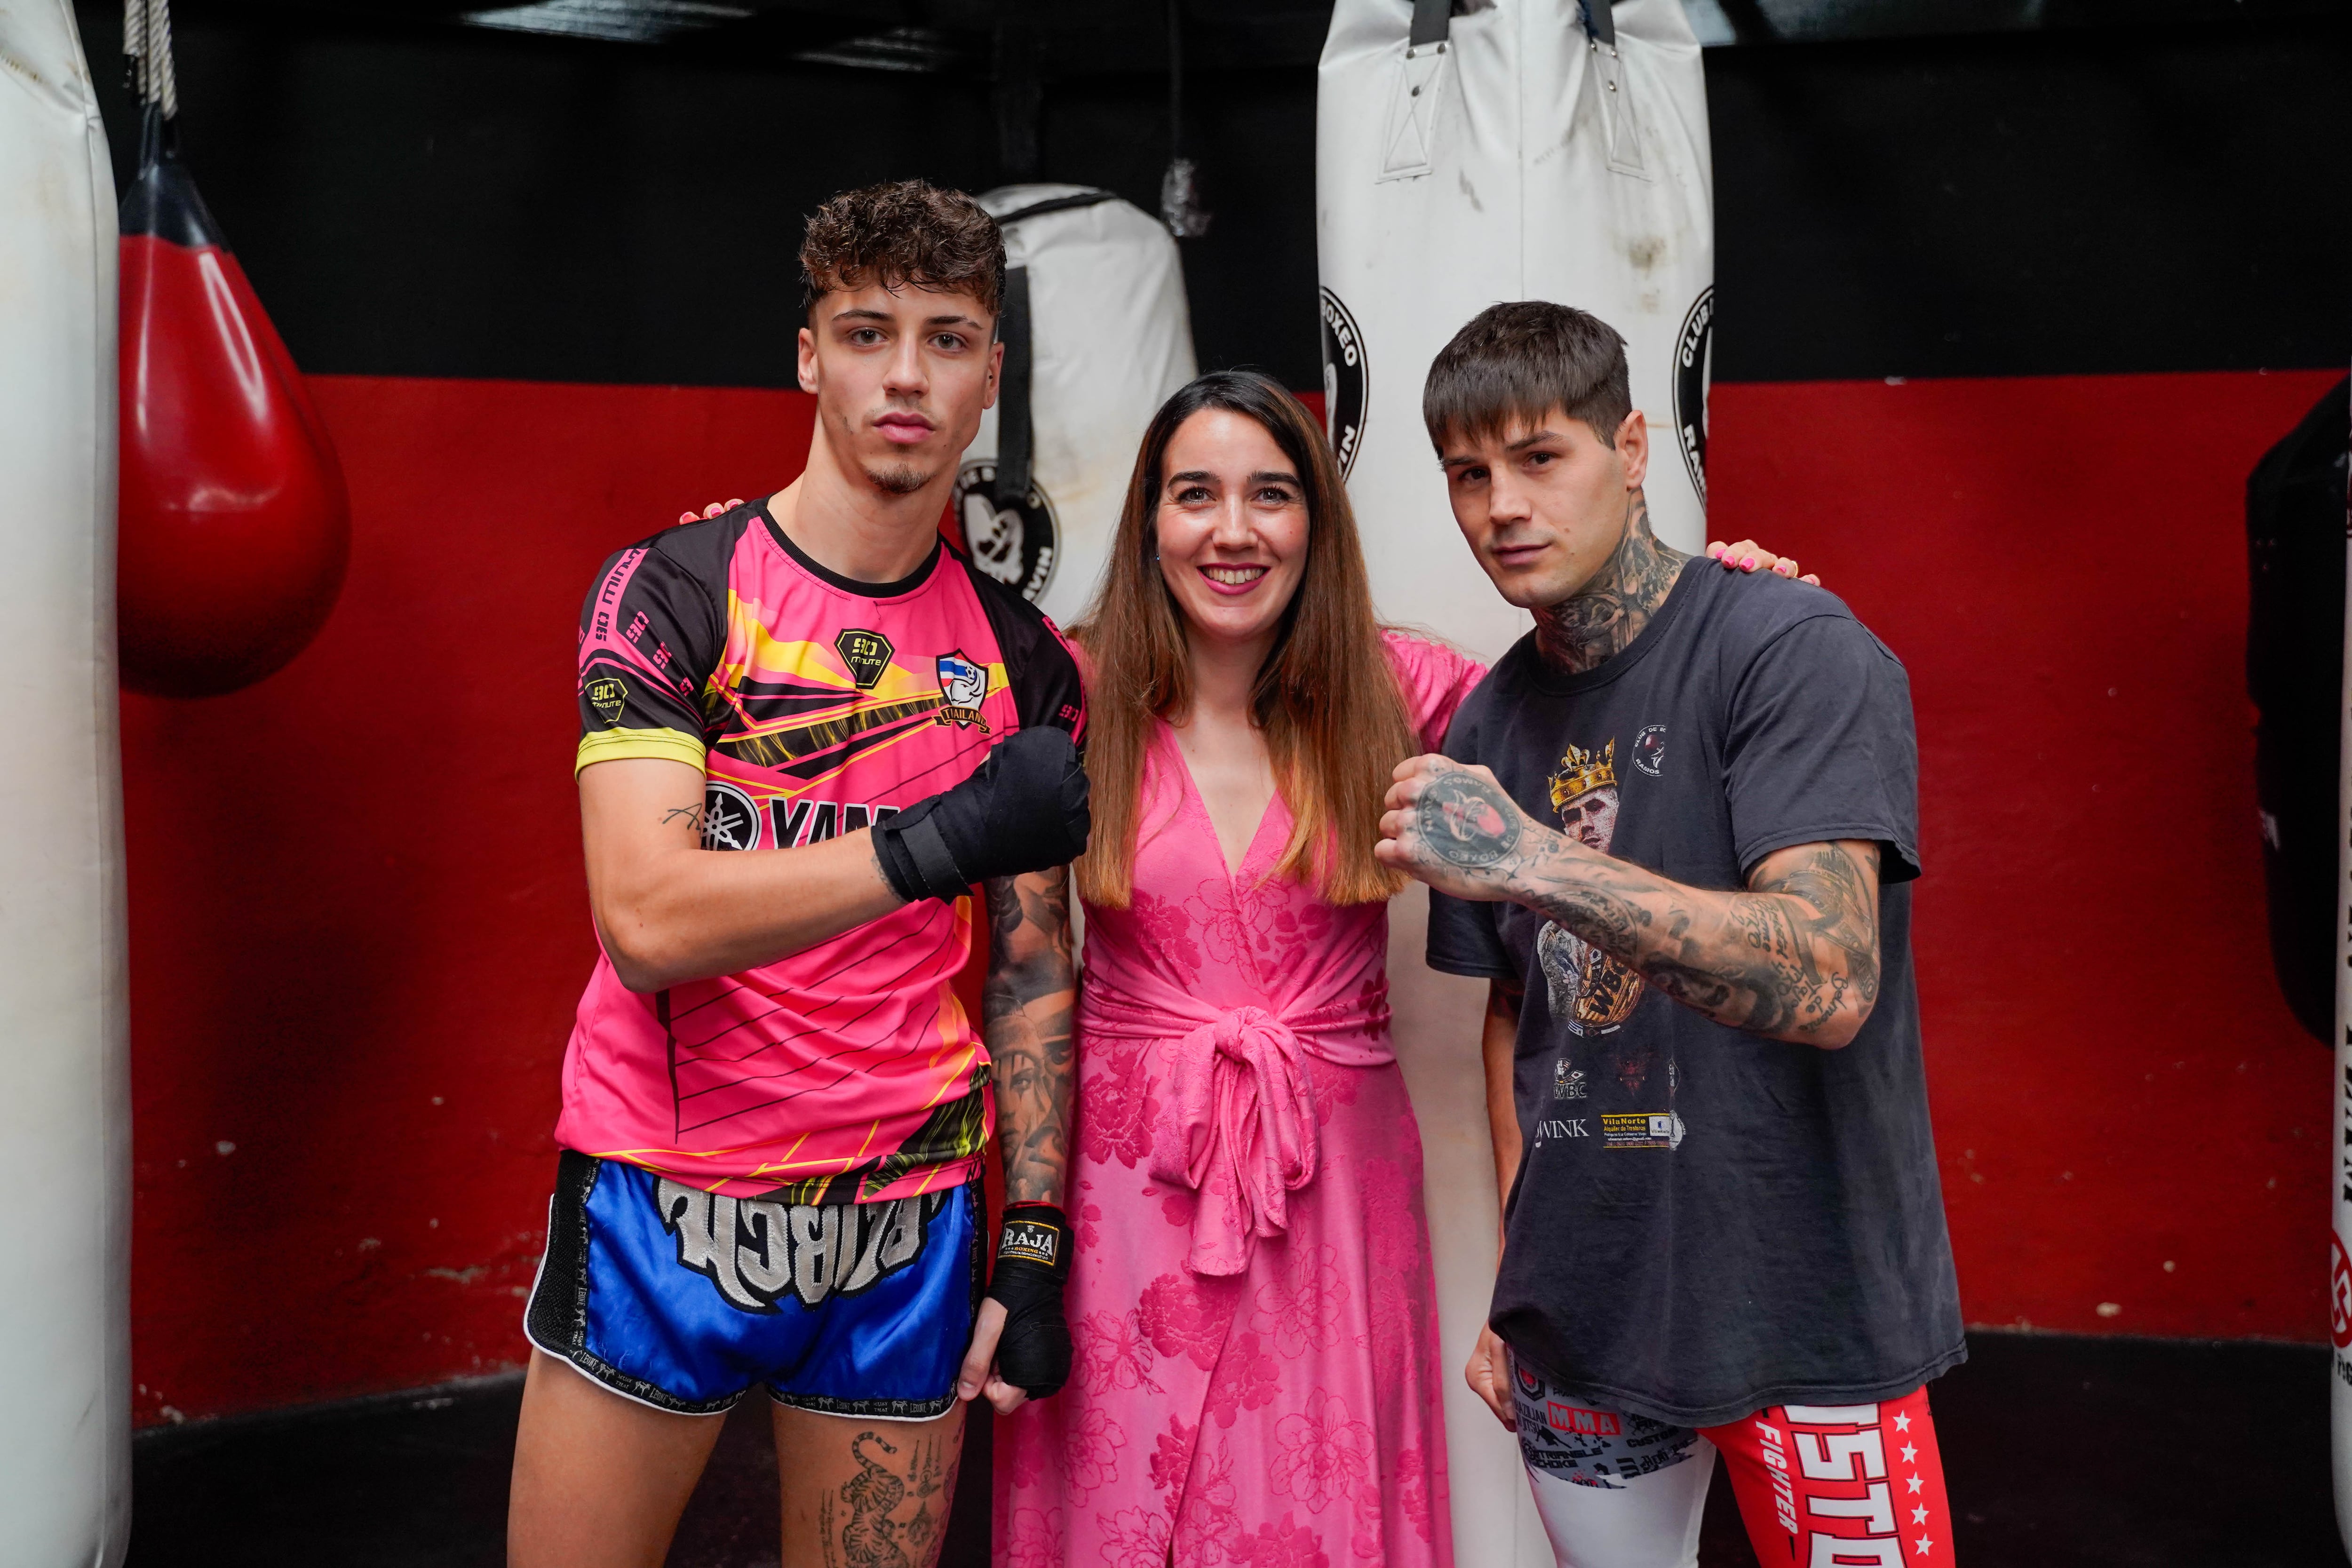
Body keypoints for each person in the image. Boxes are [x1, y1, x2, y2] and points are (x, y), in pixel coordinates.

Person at [509, 180, 1090, 1568]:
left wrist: (1040, 1232)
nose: (907, 374)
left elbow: (1029, 968)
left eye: (948, 338)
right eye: (868, 330)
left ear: (991, 373)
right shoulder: (675, 592)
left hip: (909, 1213)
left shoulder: (1020, 662)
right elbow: (647, 918)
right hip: (670, 1193)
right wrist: (935, 839)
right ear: (808, 355)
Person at [1375, 301, 1964, 1568]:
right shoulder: (1487, 729)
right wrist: (1519, 1282)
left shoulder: (1788, 648)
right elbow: (1511, 1018)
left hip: (1807, 1292)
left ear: (1632, 446)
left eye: (1542, 458)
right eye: (1469, 474)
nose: (1502, 508)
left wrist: (1538, 857)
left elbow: (1831, 974)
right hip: (1587, 1308)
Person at [989, 370, 1478, 1568]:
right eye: (1194, 494)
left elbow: (1595, 719)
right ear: (1150, 519)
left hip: (1336, 1179)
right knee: (1122, 1501)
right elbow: (1020, 976)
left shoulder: (1397, 687)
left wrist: (1718, 595)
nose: (1232, 530)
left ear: (1314, 518)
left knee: (1313, 1507)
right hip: (1126, 1181)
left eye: (1270, 494)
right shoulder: (1069, 692)